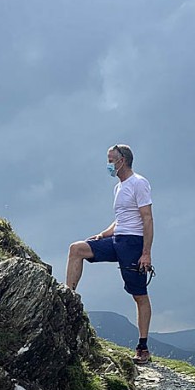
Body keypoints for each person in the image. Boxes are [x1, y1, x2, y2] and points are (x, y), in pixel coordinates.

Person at [66, 144, 154, 363]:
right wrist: (102, 234)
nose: (108, 164)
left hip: (133, 243)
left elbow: (147, 218)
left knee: (139, 295)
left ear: (122, 160)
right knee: (76, 249)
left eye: (110, 160)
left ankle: (142, 347)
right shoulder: (118, 187)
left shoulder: (139, 183)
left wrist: (146, 253)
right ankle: (67, 297)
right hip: (116, 239)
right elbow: (121, 219)